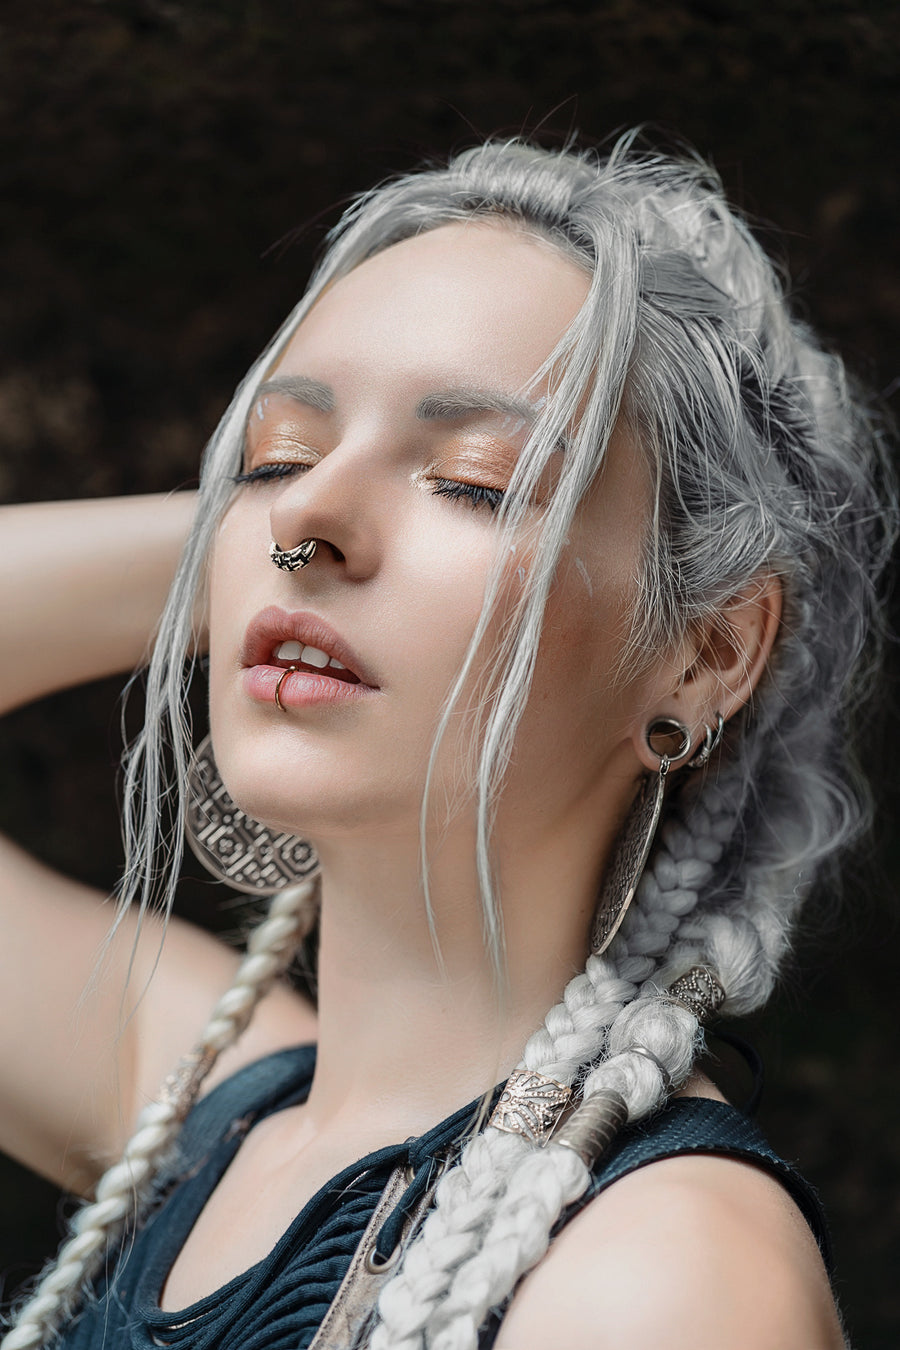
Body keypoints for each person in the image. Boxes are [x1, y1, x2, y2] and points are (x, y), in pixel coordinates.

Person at [0, 134, 893, 1350]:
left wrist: (288, 508)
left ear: (709, 652)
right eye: (276, 453)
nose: (307, 512)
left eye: (476, 481)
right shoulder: (211, 1109)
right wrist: (246, 534)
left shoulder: (665, 1280)